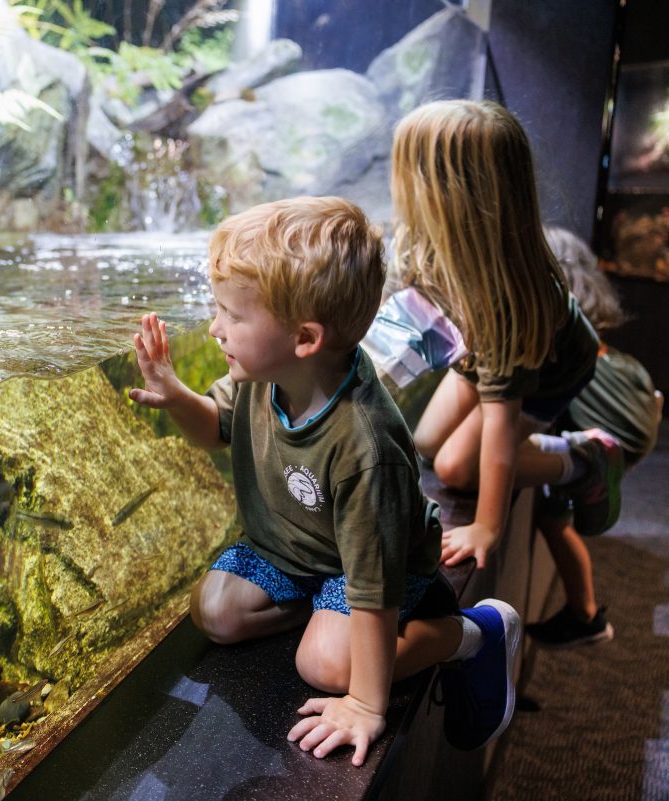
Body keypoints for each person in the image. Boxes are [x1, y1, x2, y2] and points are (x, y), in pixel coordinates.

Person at [129, 196, 520, 765]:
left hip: (374, 567)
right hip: (293, 551)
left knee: (325, 666)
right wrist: (176, 397)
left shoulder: (364, 444)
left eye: (232, 316)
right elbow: (215, 428)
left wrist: (365, 702)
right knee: (215, 613)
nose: (215, 328)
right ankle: (323, 616)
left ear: (304, 338)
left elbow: (373, 586)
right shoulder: (265, 375)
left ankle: (471, 633)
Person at [392, 100, 622, 571]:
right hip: (482, 356)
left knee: (457, 468)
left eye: (410, 171)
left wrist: (487, 526)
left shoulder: (505, 300)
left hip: (547, 371)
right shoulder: (430, 245)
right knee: (427, 442)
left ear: (446, 193)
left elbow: (501, 420)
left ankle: (583, 457)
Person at [525, 227, 663, 648]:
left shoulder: (558, 313)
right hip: (634, 397)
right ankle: (583, 613)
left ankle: (584, 612)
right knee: (554, 507)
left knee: (553, 507)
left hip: (606, 419)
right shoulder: (590, 309)